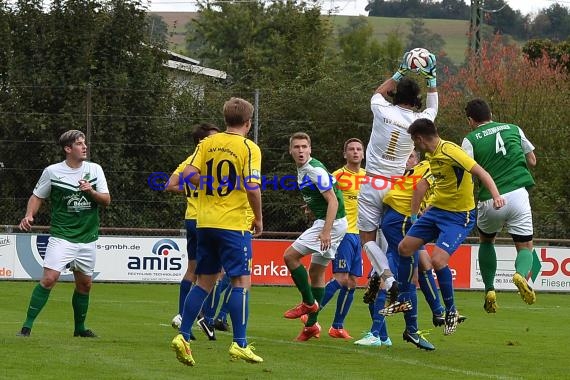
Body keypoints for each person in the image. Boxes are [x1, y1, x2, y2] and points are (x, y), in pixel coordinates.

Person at [170, 97, 263, 365]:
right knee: (241, 282)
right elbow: (253, 188)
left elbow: (187, 174)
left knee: (204, 282)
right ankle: (240, 344)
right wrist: (258, 219)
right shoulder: (249, 147)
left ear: (225, 120)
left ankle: (184, 336)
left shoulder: (207, 143)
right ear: (248, 122)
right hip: (233, 224)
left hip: (205, 222)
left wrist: (212, 182)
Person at [395, 118, 505, 336]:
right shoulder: (431, 155)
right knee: (404, 248)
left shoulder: (451, 151)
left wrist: (496, 196)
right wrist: (417, 215)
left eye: (414, 141)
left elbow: (480, 172)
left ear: (419, 138)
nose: (415, 146)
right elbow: (426, 184)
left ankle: (451, 311)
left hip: (459, 216)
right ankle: (403, 297)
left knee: (437, 260)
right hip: (436, 211)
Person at [357, 50, 438, 308]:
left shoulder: (381, 108)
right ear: (416, 100)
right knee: (396, 243)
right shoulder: (420, 120)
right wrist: (432, 78)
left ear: (395, 95)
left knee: (368, 239)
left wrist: (400, 71)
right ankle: (402, 290)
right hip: (397, 187)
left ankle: (387, 278)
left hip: (372, 183)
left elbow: (378, 92)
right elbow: (434, 108)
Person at [17, 130, 111, 337]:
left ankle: (79, 329)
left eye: (84, 143)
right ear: (68, 149)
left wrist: (91, 192)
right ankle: (26, 327)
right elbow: (36, 196)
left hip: (87, 237)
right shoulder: (52, 171)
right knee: (49, 279)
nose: (84, 147)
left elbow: (106, 200)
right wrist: (29, 215)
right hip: (62, 236)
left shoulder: (95, 170)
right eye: (79, 144)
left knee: (85, 285)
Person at [461, 98, 537, 313]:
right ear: (491, 114)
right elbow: (532, 160)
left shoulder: (470, 139)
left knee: (486, 241)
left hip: (489, 199)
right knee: (525, 246)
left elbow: (468, 170)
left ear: (470, 120)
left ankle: (489, 289)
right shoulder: (514, 128)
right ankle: (520, 275)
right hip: (518, 194)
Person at [283, 132, 348, 341]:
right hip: (334, 222)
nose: (300, 151)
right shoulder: (305, 169)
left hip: (332, 223)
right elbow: (325, 197)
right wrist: (311, 207)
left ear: (310, 149)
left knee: (290, 257)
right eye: (297, 147)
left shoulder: (313, 169)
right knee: (317, 273)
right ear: (290, 150)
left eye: (304, 147)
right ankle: (311, 326)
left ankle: (309, 304)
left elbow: (333, 201)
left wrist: (326, 231)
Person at [166, 123, 221, 340]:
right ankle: (206, 319)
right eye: (213, 138)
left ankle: (183, 314)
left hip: (191, 219)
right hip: (208, 220)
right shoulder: (212, 162)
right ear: (202, 142)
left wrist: (189, 188)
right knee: (214, 272)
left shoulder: (188, 162)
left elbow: (170, 185)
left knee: (193, 270)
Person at [314, 138, 366, 339]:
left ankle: (337, 326)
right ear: (345, 154)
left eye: (358, 149)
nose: (355, 152)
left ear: (363, 154)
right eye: (351, 149)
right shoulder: (337, 175)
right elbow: (324, 198)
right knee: (341, 278)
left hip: (359, 235)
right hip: (342, 232)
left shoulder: (367, 177)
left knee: (352, 281)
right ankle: (312, 312)